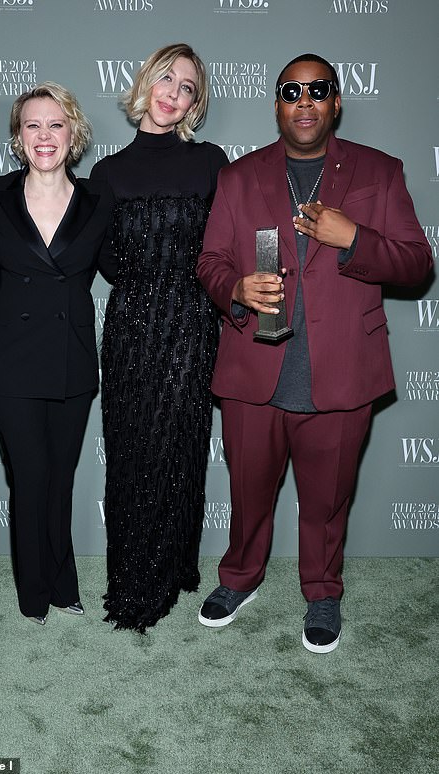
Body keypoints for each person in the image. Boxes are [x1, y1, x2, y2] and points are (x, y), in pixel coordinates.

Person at [196, 53, 432, 653]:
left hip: (342, 375)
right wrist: (235, 289)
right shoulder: (238, 177)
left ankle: (323, 592)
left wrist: (352, 237)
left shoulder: (380, 172)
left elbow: (416, 263)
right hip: (255, 371)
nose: (305, 100)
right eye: (292, 91)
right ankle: (240, 578)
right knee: (248, 496)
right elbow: (210, 263)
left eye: (318, 90)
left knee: (327, 504)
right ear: (277, 104)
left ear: (335, 103)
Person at [90, 43, 228, 632]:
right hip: (131, 328)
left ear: (195, 104)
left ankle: (173, 565)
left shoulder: (211, 162)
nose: (173, 92)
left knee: (180, 448)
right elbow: (107, 263)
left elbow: (226, 247)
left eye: (188, 87)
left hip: (194, 324)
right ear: (145, 81)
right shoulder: (106, 173)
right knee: (130, 449)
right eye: (166, 78)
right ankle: (135, 581)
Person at [0, 83, 116, 626]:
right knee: (30, 477)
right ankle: (33, 593)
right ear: (16, 138)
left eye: (55, 125)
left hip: (72, 359)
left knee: (60, 477)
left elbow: (124, 269)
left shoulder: (98, 202)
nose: (44, 135)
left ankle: (65, 587)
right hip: (10, 361)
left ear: (73, 134)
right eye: (32, 125)